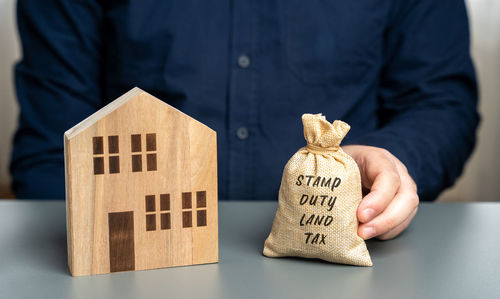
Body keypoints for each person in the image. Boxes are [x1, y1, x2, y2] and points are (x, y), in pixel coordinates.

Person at [10, 0, 478, 241]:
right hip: (134, 266)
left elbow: (439, 102)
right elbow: (55, 144)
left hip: (349, 253)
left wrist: (392, 160)